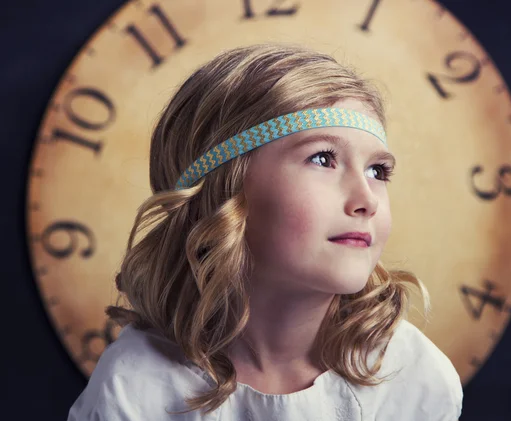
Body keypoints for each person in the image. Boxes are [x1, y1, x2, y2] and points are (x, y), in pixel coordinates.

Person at [67, 42, 463, 420]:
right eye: (323, 159)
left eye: (378, 171)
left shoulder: (415, 380)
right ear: (224, 187)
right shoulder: (135, 390)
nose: (367, 199)